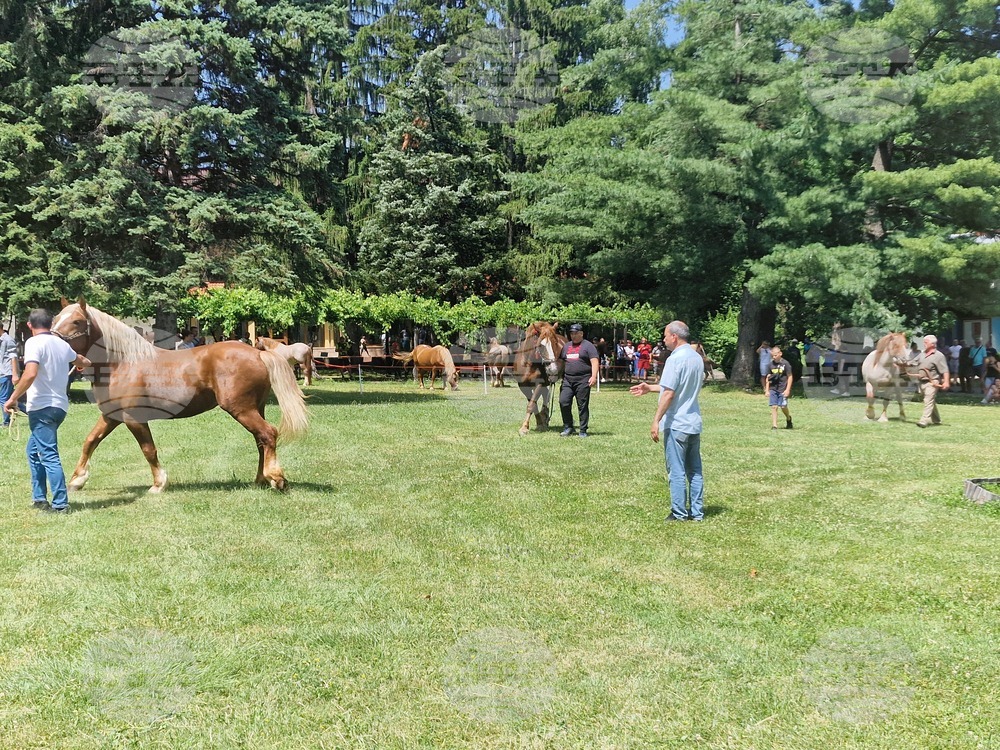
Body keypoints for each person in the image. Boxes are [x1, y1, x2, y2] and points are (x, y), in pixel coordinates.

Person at [3, 308, 91, 513]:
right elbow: (81, 360)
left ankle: (60, 504)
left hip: (42, 408)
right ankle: (39, 498)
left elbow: (31, 372)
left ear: (29, 325)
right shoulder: (62, 344)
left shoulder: (33, 342)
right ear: (51, 324)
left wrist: (12, 398)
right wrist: (83, 364)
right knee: (33, 452)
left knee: (48, 455)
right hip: (59, 407)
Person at [631, 321, 704, 522]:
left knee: (677, 470)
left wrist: (656, 420)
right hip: (693, 422)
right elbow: (677, 387)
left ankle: (679, 513)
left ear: (674, 336)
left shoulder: (675, 359)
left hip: (677, 423)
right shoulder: (696, 358)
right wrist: (651, 388)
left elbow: (670, 393)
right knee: (695, 470)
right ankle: (697, 513)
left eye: (665, 336)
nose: (663, 340)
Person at [557, 323, 599, 438]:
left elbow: (594, 361)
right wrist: (555, 374)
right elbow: (561, 361)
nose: (573, 336)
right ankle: (568, 426)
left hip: (583, 380)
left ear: (581, 334)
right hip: (567, 380)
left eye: (575, 333)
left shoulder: (588, 346)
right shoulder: (566, 346)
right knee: (563, 402)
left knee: (582, 405)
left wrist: (593, 376)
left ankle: (583, 430)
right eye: (571, 333)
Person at [915, 334, 949, 428]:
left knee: (928, 400)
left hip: (932, 382)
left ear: (933, 344)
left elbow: (945, 370)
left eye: (926, 342)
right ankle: (937, 419)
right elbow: (913, 362)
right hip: (921, 382)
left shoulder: (939, 356)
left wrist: (946, 382)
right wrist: (902, 364)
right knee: (930, 401)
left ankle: (923, 420)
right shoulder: (922, 354)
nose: (924, 344)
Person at [765, 345, 793, 430]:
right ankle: (774, 425)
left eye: (775, 355)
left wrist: (788, 389)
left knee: (783, 406)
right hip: (773, 388)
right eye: (772, 355)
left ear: (780, 353)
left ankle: (788, 418)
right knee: (774, 406)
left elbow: (790, 376)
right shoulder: (770, 364)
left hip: (783, 388)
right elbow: (768, 377)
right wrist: (767, 390)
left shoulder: (785, 364)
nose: (774, 357)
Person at [0, 323, 16, 428]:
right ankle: (29, 411)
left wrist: (15, 374)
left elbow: (13, 357)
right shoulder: (1, 340)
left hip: (7, 373)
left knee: (3, 398)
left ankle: (6, 423)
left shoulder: (8, 340)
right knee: (10, 398)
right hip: (2, 373)